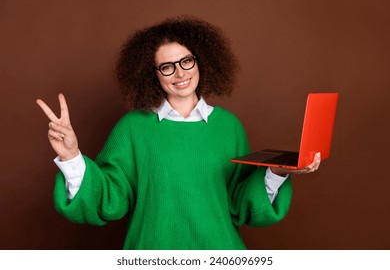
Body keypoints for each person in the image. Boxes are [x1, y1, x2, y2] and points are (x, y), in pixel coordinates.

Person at [36, 16, 320, 250]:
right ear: (153, 74)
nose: (180, 73)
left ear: (200, 61)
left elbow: (239, 201)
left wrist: (278, 172)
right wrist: (72, 156)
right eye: (167, 67)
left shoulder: (229, 126)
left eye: (186, 61)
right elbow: (109, 199)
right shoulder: (133, 128)